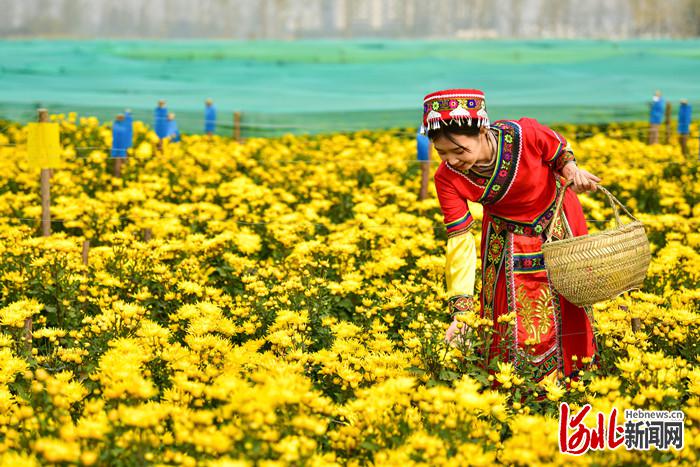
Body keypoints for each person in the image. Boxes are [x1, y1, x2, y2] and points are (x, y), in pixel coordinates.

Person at [422, 88, 600, 384]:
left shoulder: (525, 134)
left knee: (568, 294)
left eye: (459, 151)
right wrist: (462, 312)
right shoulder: (447, 178)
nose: (452, 160)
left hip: (554, 218)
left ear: (482, 130)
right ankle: (516, 386)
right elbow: (459, 239)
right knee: (507, 314)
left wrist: (573, 171)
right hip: (505, 233)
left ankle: (574, 378)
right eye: (442, 153)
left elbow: (560, 153)